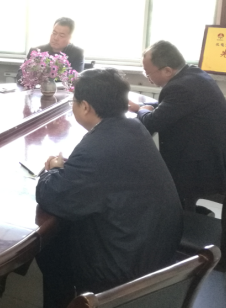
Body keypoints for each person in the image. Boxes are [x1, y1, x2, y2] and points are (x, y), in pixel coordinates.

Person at [36, 68, 182, 308]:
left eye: (74, 101)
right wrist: (70, 169)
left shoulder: (98, 146)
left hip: (123, 267)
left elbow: (51, 196)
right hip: (157, 249)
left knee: (51, 244)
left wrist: (53, 169)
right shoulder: (134, 128)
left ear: (85, 107)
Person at [128, 40, 226, 208]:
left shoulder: (181, 87)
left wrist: (141, 110)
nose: (148, 78)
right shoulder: (194, 74)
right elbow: (172, 106)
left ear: (167, 70)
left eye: (148, 73)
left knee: (157, 184)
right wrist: (145, 107)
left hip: (197, 163)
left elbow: (151, 123)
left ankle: (182, 215)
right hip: (210, 152)